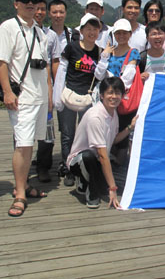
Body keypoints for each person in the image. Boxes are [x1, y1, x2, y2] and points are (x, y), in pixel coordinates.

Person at [0, 0, 51, 217]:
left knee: (30, 144)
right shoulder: (8, 27)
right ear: (16, 3)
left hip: (39, 98)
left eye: (34, 0)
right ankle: (19, 193)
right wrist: (7, 92)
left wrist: (48, 97)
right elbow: (1, 62)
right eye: (25, 0)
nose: (30, 4)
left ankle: (25, 184)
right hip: (23, 99)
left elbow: (45, 66)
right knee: (23, 145)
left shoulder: (39, 32)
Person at [67, 77, 137, 209]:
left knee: (126, 183)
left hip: (99, 160)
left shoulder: (113, 113)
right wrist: (112, 188)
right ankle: (91, 191)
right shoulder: (95, 117)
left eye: (117, 93)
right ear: (101, 95)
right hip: (81, 161)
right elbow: (102, 154)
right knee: (89, 158)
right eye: (110, 93)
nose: (114, 97)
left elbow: (113, 140)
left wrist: (130, 127)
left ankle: (89, 182)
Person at [53, 13, 103, 187]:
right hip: (69, 96)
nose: (91, 32)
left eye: (95, 29)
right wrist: (57, 97)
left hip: (88, 99)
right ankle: (68, 169)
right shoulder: (71, 48)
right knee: (68, 135)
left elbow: (100, 76)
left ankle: (80, 167)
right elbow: (61, 72)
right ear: (81, 31)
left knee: (84, 136)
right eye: (88, 29)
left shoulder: (99, 52)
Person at [94, 18, 141, 164]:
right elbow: (98, 74)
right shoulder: (108, 51)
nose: (121, 36)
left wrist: (111, 87)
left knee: (122, 128)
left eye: (124, 33)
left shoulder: (133, 53)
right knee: (106, 128)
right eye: (118, 33)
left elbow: (127, 78)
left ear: (130, 34)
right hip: (106, 99)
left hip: (121, 98)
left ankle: (118, 162)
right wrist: (104, 56)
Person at [34, 0, 61, 183]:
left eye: (42, 9)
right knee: (23, 132)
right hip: (25, 91)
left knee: (47, 131)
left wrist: (55, 89)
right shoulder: (17, 32)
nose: (39, 12)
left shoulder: (50, 36)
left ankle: (43, 166)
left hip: (46, 89)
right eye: (36, 8)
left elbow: (55, 62)